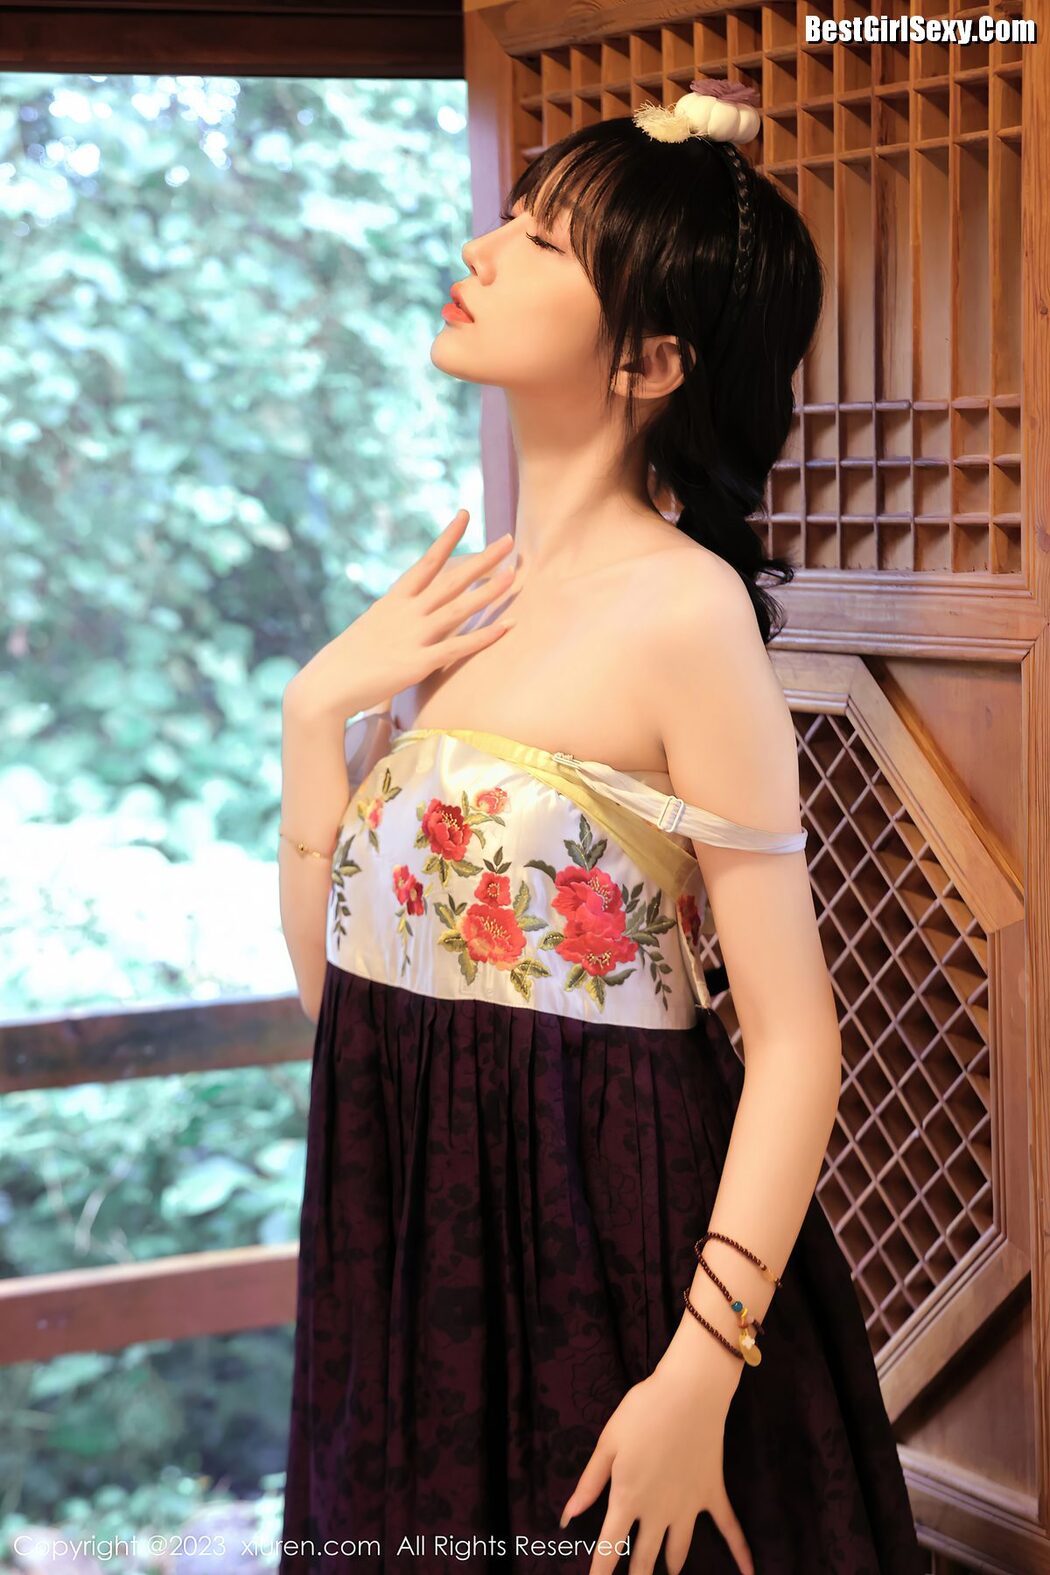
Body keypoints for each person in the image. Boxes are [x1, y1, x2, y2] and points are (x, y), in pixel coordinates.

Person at [276, 80, 925, 1575]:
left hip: (604, 1242)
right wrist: (314, 719)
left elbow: (796, 1041)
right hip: (408, 1225)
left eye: (543, 242)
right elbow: (341, 1001)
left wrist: (699, 1370)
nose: (483, 249)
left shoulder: (685, 612)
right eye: (510, 217)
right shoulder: (464, 600)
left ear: (650, 359)